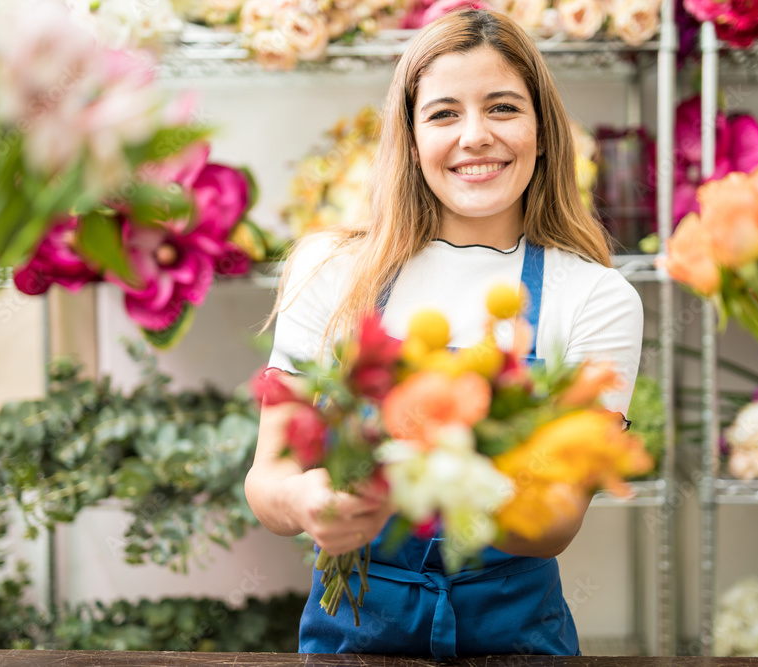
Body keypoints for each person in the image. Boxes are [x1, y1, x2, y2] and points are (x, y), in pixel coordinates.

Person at [244, 8, 644, 658]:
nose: (476, 135)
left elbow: (556, 520)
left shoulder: (596, 298)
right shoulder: (330, 272)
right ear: (410, 139)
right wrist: (307, 500)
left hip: (515, 640)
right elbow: (269, 479)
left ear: (543, 132)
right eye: (444, 113)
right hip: (352, 639)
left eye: (503, 108)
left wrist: (428, 484)